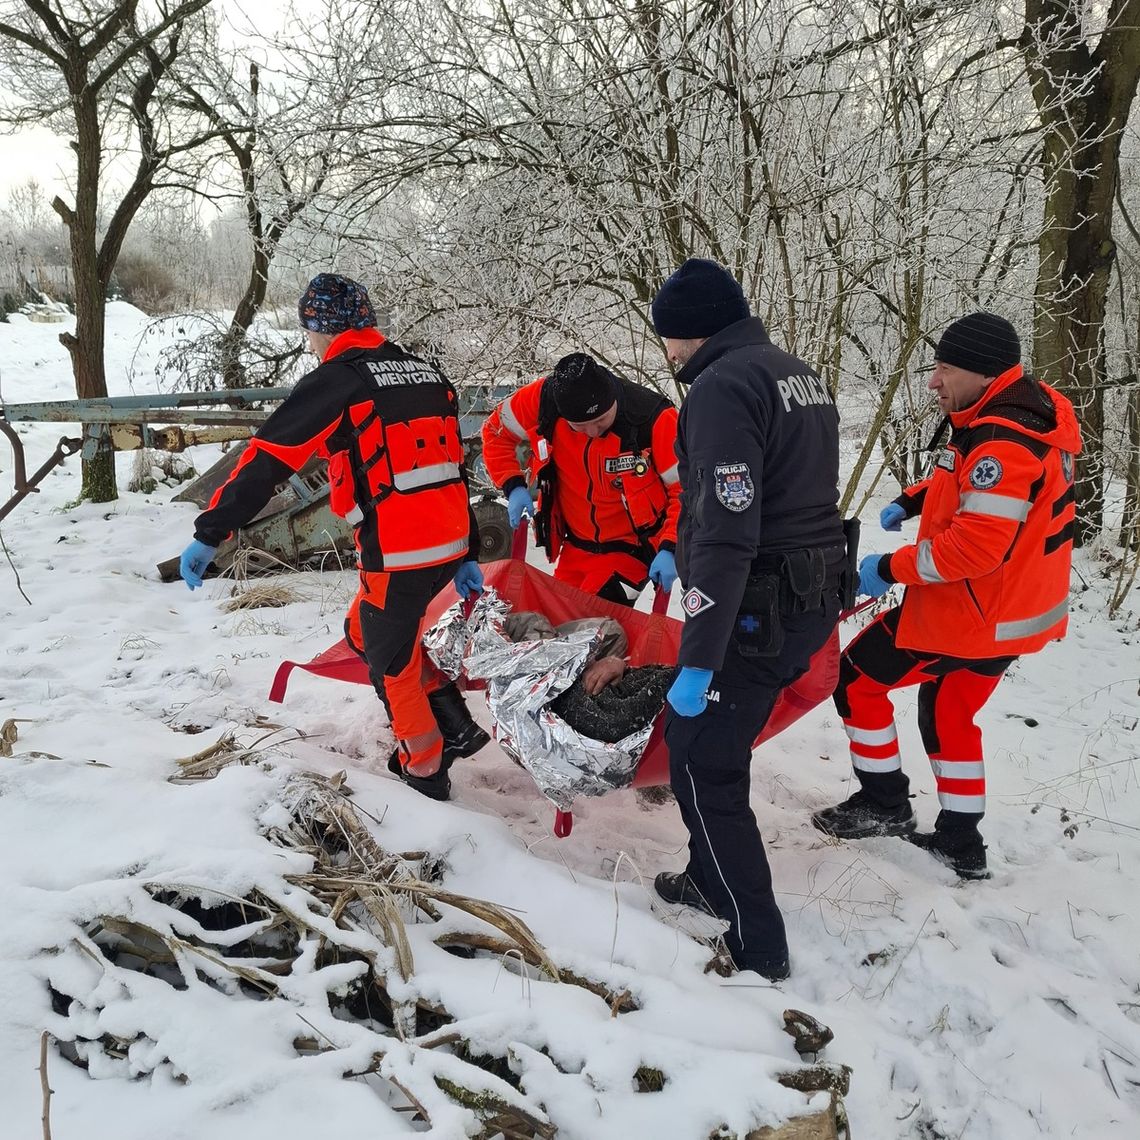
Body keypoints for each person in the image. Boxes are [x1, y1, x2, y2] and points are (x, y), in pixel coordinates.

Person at [179, 273, 490, 802]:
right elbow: (450, 467)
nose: (309, 345)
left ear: (322, 330)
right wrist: (468, 551)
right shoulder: (425, 372)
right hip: (450, 546)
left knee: (391, 664)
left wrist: (211, 531)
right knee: (365, 632)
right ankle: (455, 724)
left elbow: (268, 459)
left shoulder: (339, 380)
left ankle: (425, 770)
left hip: (399, 554)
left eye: (309, 333)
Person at [812, 312, 1081, 878]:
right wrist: (914, 499)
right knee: (950, 713)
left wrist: (888, 567)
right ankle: (960, 841)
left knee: (855, 679)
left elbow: (973, 549)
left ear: (984, 373)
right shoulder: (1023, 413)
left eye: (946, 369)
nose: (934, 381)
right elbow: (979, 484)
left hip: (971, 614)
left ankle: (884, 803)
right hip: (1012, 612)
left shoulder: (1001, 441)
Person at [649, 258, 846, 982]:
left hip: (758, 609)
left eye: (669, 337)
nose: (667, 352)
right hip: (807, 594)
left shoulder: (721, 388)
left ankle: (758, 942)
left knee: (706, 763)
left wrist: (699, 656)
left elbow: (728, 530)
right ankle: (707, 878)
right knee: (697, 743)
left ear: (692, 332)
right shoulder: (795, 372)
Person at [481, 352, 681, 605]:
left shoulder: (654, 418)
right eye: (579, 426)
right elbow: (495, 431)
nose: (592, 432)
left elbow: (687, 492)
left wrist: (672, 545)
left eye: (600, 420)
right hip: (575, 547)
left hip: (631, 550)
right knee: (556, 617)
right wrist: (512, 484)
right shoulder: (544, 400)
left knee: (592, 621)